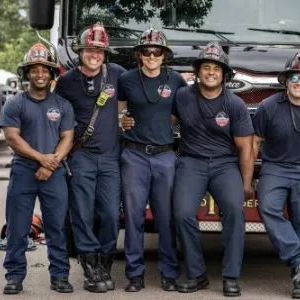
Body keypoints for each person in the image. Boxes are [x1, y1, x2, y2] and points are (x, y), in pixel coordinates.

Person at [172, 42, 254, 297]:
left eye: (216, 69)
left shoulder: (235, 104)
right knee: (182, 213)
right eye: (206, 67)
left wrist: (247, 184)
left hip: (224, 164)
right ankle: (197, 275)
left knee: (233, 210)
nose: (210, 72)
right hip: (191, 161)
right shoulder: (182, 96)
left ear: (224, 75)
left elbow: (246, 148)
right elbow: (164, 120)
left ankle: (231, 277)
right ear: (198, 72)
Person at [54, 22, 125, 293]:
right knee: (81, 214)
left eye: (99, 50)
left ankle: (105, 263)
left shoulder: (118, 75)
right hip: (81, 156)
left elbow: (140, 96)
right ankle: (89, 268)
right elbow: (55, 116)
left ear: (105, 53)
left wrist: (127, 118)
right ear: (80, 51)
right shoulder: (67, 81)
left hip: (110, 158)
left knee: (109, 213)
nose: (94, 55)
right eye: (89, 50)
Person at [0, 42, 75, 294]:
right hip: (23, 170)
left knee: (56, 227)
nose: (40, 74)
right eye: (34, 70)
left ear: (53, 73)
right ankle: (14, 276)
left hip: (54, 171)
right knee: (18, 227)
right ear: (27, 73)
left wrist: (50, 162)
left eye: (45, 70)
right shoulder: (15, 104)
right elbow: (12, 137)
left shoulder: (63, 105)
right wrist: (41, 158)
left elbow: (67, 137)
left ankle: (60, 276)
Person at [118, 27, 187, 292]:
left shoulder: (176, 80)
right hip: (134, 154)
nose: (151, 56)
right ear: (138, 55)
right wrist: (122, 121)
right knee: (134, 217)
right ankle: (135, 274)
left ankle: (169, 273)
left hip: (164, 156)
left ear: (164, 55)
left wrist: (163, 127)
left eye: (156, 52)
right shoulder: (126, 79)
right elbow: (119, 111)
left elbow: (180, 112)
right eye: (146, 52)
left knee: (165, 217)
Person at [252, 52, 300, 299]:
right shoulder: (268, 106)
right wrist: (248, 175)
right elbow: (254, 142)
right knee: (268, 207)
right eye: (294, 76)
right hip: (275, 167)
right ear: (286, 79)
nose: (299, 83)